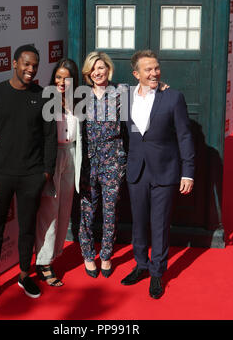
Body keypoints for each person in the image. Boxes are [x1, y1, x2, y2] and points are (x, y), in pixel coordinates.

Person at [0, 44, 57, 310]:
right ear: (13, 63)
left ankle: (24, 275)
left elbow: (49, 137)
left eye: (35, 65)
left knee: (27, 229)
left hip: (32, 175)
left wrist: (46, 172)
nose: (30, 70)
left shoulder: (44, 96)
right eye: (25, 64)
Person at [121, 50, 195, 299]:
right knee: (139, 223)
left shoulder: (173, 97)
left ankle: (156, 273)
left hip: (166, 170)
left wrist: (188, 172)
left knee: (160, 225)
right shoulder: (125, 96)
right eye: (148, 70)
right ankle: (141, 265)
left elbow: (185, 135)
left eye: (156, 68)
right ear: (136, 74)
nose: (154, 73)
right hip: (136, 170)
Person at [78, 51, 127, 278]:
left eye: (101, 68)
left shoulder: (121, 93)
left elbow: (134, 120)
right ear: (88, 73)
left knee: (111, 210)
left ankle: (106, 255)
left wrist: (161, 86)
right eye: (93, 69)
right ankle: (88, 255)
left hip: (113, 160)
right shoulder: (80, 95)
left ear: (108, 69)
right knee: (87, 210)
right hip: (88, 161)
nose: (97, 72)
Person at [34, 58, 82, 286]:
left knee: (64, 209)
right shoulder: (45, 98)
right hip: (52, 158)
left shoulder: (79, 99)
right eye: (58, 77)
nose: (62, 82)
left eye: (67, 78)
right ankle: (43, 263)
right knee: (49, 211)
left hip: (72, 156)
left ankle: (54, 255)